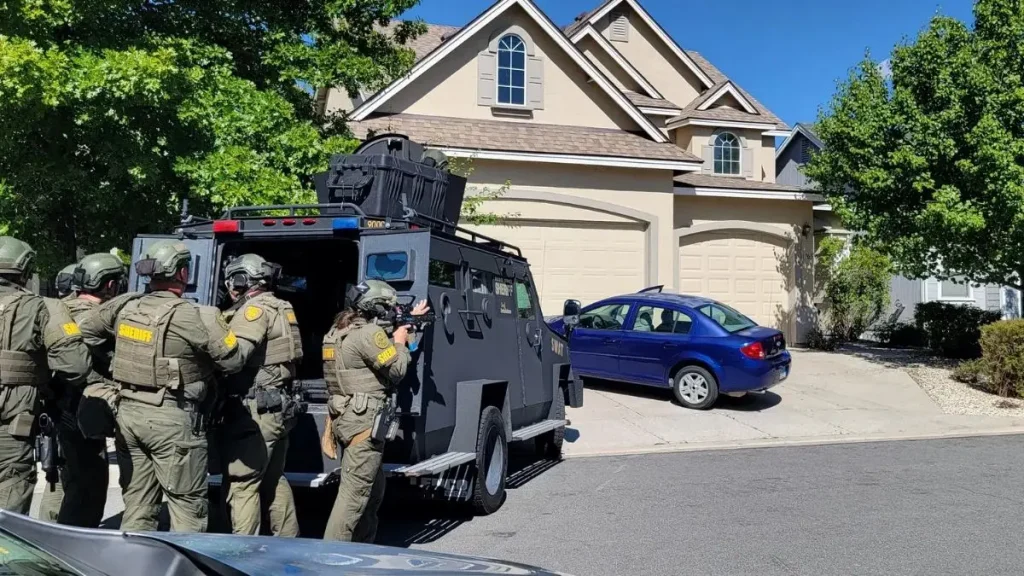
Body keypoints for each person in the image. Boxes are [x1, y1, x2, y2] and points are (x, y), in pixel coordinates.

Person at [79, 239, 246, 532]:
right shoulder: (198, 315)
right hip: (173, 419)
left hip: (127, 415)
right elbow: (233, 362)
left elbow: (84, 334)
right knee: (188, 511)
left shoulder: (125, 305)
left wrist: (117, 364)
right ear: (182, 273)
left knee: (139, 506)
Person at [321, 279, 429, 542]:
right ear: (377, 307)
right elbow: (397, 370)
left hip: (345, 417)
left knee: (372, 490)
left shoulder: (337, 331)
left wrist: (405, 321)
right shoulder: (369, 335)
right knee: (353, 496)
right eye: (388, 308)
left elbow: (367, 345)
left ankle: (361, 550)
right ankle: (330, 559)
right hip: (364, 422)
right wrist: (401, 342)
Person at [0, 237, 90, 514]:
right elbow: (76, 365)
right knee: (11, 486)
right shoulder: (45, 307)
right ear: (25, 270)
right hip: (12, 419)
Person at [38, 253, 127, 526]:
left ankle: (46, 539)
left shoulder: (56, 309)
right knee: (88, 485)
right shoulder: (103, 319)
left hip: (53, 406)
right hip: (82, 410)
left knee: (59, 479)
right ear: (110, 285)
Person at [216, 253, 302, 536]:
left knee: (243, 483)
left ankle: (243, 554)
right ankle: (289, 546)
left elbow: (235, 355)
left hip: (256, 410)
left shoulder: (252, 311)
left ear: (241, 280)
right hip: (277, 406)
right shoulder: (281, 305)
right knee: (274, 480)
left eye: (232, 280)